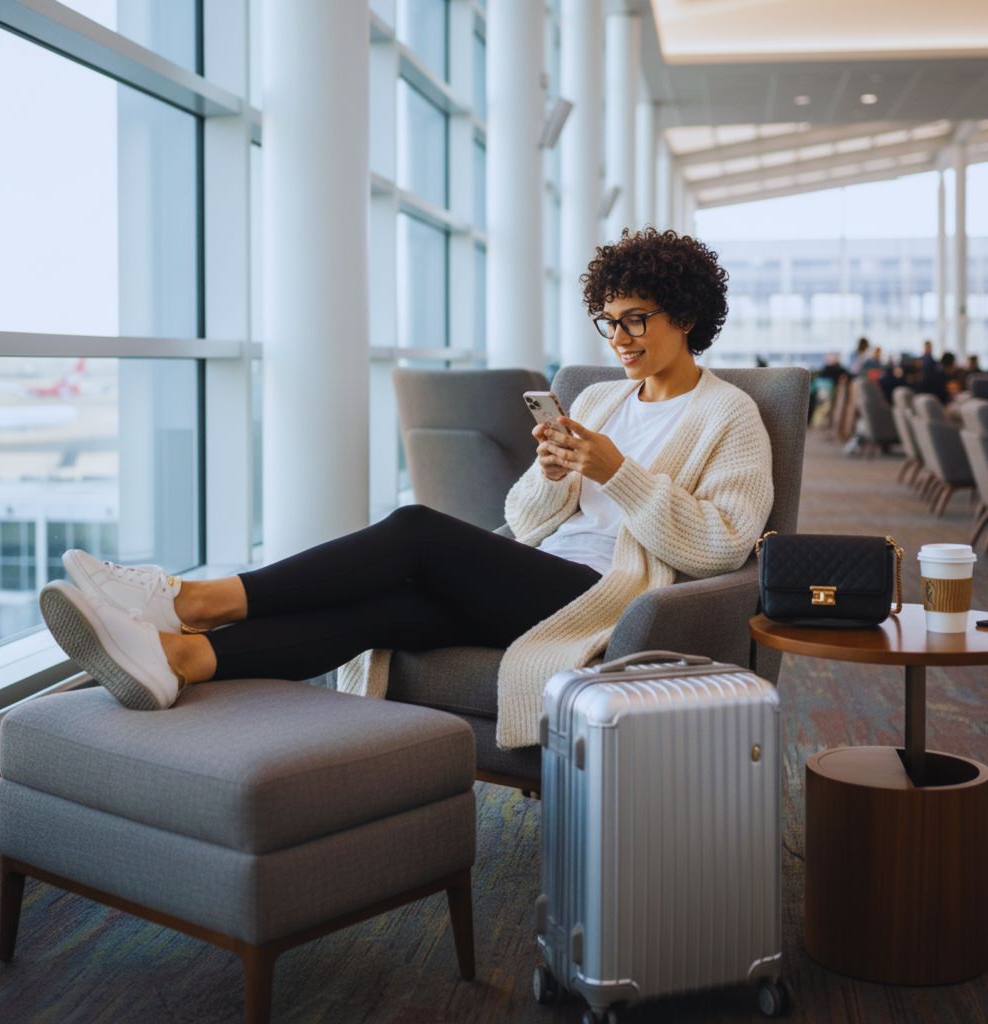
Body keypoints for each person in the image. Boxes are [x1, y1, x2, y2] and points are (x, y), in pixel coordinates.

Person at [38, 228, 774, 750]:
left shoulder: (728, 414)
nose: (619, 337)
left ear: (685, 314)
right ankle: (183, 659)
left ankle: (193, 600)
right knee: (390, 608)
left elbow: (721, 548)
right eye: (608, 322)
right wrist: (554, 479)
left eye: (636, 318)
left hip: (609, 600)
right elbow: (520, 519)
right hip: (542, 577)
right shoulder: (602, 401)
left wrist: (617, 471)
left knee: (416, 530)